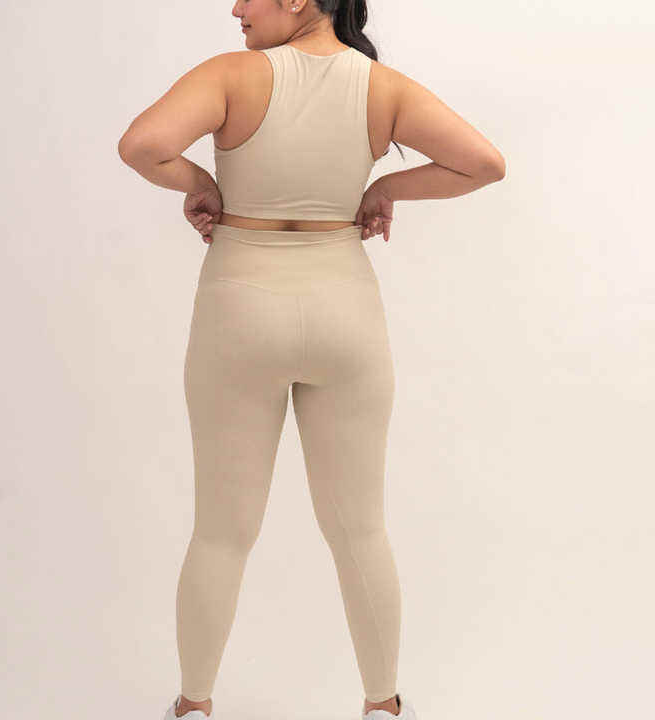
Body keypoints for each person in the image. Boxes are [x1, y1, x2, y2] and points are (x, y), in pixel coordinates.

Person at [118, 1, 506, 718]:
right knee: (361, 530)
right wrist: (385, 186)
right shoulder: (381, 87)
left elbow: (142, 145)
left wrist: (200, 184)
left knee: (221, 532)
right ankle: (384, 707)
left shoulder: (231, 76)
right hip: (344, 310)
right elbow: (484, 164)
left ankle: (193, 707)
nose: (236, 7)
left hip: (240, 309)